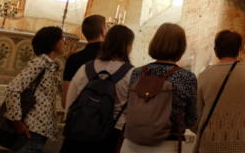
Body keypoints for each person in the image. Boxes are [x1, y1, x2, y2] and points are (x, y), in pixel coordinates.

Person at [120, 23, 197, 153]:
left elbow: (129, 106)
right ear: (181, 47)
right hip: (166, 145)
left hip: (131, 143)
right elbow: (191, 119)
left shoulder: (137, 73)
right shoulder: (186, 77)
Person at [61, 24, 135, 153]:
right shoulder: (132, 74)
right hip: (111, 136)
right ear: (128, 46)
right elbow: (133, 111)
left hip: (78, 133)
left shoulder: (85, 68)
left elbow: (70, 103)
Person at [194, 30, 245, 153]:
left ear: (216, 50)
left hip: (212, 144)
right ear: (239, 50)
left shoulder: (203, 76)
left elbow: (195, 120)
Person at [4, 26, 64, 153]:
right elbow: (13, 89)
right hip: (31, 129)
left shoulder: (50, 65)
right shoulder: (39, 63)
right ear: (53, 43)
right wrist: (18, 123)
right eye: (61, 39)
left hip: (40, 130)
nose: (64, 42)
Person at [63, 14, 106, 103]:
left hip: (77, 113)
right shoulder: (112, 58)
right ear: (103, 31)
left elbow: (65, 101)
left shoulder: (73, 59)